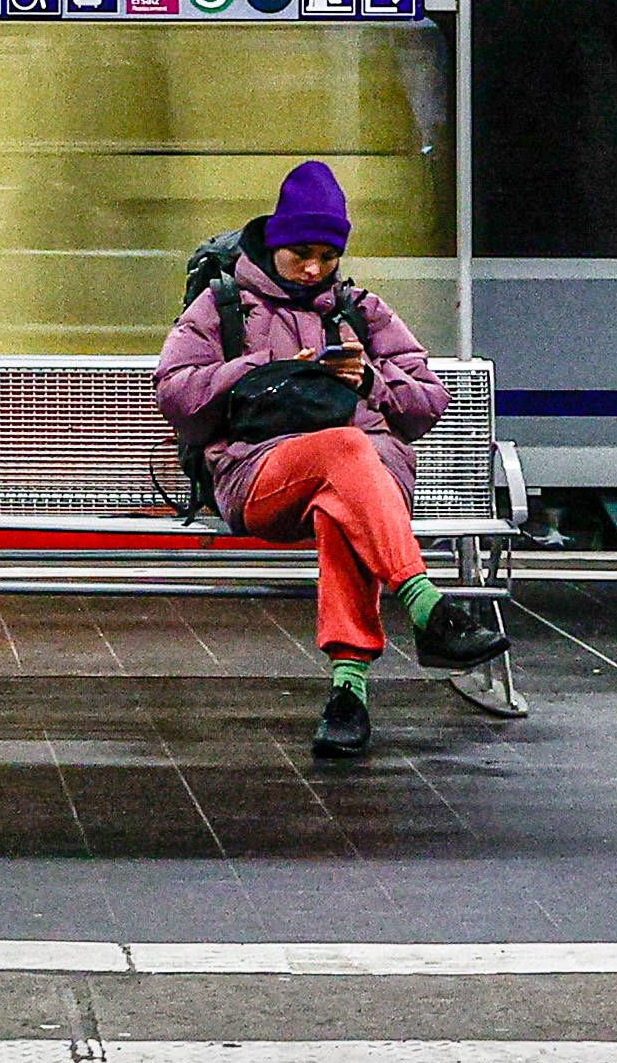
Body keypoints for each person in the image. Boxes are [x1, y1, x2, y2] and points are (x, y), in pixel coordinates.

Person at [155, 159, 504, 763]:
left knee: (346, 498)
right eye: (300, 254)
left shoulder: (358, 311)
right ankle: (425, 605)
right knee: (349, 451)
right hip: (258, 476)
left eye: (327, 255)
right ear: (274, 243)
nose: (314, 268)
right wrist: (262, 367)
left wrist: (369, 378)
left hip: (363, 483)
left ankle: (349, 696)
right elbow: (176, 395)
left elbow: (427, 405)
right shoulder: (225, 306)